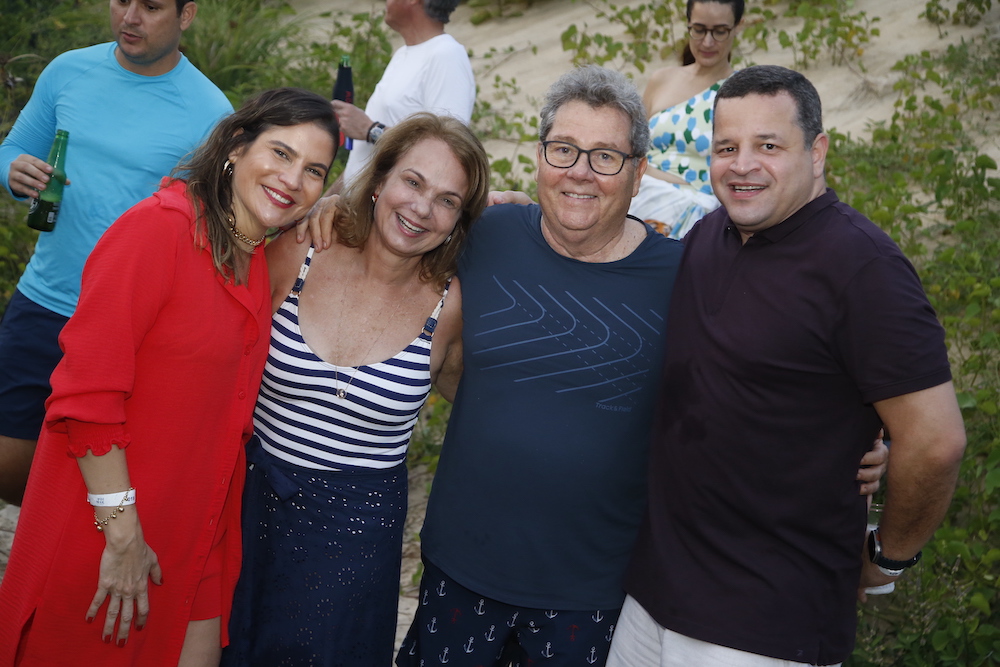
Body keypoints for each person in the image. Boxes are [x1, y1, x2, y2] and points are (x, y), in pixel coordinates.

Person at [396, 66, 888, 667]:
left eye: (605, 156)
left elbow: (767, 380)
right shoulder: (488, 233)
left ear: (638, 172)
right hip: (459, 571)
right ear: (539, 156)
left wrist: (856, 441)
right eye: (564, 150)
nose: (579, 171)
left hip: (594, 596)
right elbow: (402, 271)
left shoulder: (687, 274)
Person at [609, 65, 967, 667]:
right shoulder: (707, 238)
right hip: (651, 601)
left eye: (768, 146)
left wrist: (887, 557)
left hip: (766, 626)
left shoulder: (863, 267)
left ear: (818, 150)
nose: (742, 164)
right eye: (727, 147)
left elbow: (935, 442)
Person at [0, 88, 338, 667]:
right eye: (280, 153)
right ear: (235, 146)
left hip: (197, 530)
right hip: (106, 528)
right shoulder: (157, 231)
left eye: (314, 170)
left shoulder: (257, 254)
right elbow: (86, 395)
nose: (292, 179)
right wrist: (123, 535)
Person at [221, 112, 489, 667]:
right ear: (381, 178)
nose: (420, 208)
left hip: (356, 538)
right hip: (247, 506)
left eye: (446, 199)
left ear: (460, 220)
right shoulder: (299, 250)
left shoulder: (452, 307)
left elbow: (484, 403)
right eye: (412, 182)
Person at [0, 0, 233, 506]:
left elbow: (211, 229)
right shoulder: (68, 70)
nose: (130, 17)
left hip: (130, 327)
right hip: (44, 300)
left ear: (186, 15)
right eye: (121, 1)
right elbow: (10, 151)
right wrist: (15, 171)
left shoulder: (211, 113)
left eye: (150, 7)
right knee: (8, 464)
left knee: (96, 467)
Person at [328, 0, 475, 194]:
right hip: (355, 210)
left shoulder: (447, 56)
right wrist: (326, 201)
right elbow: (364, 156)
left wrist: (371, 130)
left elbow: (449, 151)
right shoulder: (403, 54)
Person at [628, 0, 744, 239]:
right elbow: (628, 145)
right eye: (699, 29)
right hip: (635, 191)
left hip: (692, 210)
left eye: (720, 31)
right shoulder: (662, 80)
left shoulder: (742, 92)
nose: (707, 42)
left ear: (738, 27)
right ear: (688, 25)